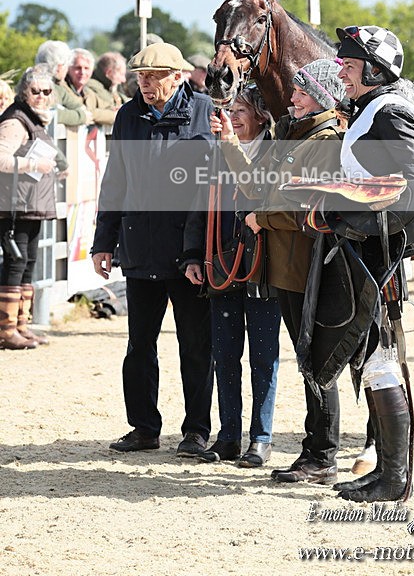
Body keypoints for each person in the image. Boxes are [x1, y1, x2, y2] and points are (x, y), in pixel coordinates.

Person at [210, 59, 346, 484]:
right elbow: (254, 187)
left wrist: (262, 221)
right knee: (308, 361)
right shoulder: (292, 136)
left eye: (301, 92)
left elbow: (309, 208)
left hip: (305, 269)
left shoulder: (324, 142)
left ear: (321, 96)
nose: (292, 97)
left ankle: (322, 454)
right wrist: (231, 142)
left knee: (316, 362)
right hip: (283, 269)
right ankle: (316, 453)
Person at [318, 25, 414, 503]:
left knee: (381, 363)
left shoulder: (389, 112)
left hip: (377, 256)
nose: (341, 72)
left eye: (348, 65)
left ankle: (394, 479)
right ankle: (386, 472)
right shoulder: (368, 110)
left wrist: (350, 216)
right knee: (371, 363)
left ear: (373, 69)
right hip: (364, 251)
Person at [91, 41, 215, 455]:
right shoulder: (128, 115)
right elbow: (115, 181)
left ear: (177, 76)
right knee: (139, 345)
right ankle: (144, 428)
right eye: (141, 77)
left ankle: (197, 431)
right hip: (139, 246)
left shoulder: (205, 111)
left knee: (195, 346)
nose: (145, 84)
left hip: (189, 252)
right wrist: (102, 242)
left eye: (153, 77)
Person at [182, 88, 281, 467]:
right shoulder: (217, 154)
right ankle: (228, 437)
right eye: (231, 110)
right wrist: (192, 256)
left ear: (261, 116)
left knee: (263, 355)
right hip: (221, 264)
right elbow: (198, 204)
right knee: (224, 354)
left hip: (264, 267)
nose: (234, 117)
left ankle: (261, 437)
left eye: (242, 111)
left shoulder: (276, 154)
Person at [0, 65, 68, 350]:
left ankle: (21, 326)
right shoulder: (15, 121)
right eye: (35, 91)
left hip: (31, 204)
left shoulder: (35, 119)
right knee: (16, 264)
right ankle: (6, 330)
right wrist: (33, 165)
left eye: (46, 91)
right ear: (24, 92)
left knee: (28, 264)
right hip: (14, 206)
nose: (41, 96)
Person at [35, 40, 93, 127]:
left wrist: (83, 114)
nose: (67, 70)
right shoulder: (41, 86)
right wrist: (82, 117)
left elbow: (78, 106)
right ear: (59, 67)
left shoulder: (58, 88)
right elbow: (52, 113)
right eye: (66, 65)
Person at [66, 48, 117, 126]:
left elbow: (112, 110)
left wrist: (94, 113)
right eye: (78, 68)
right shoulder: (63, 89)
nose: (82, 72)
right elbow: (84, 112)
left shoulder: (89, 93)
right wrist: (94, 113)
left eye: (86, 68)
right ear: (69, 69)